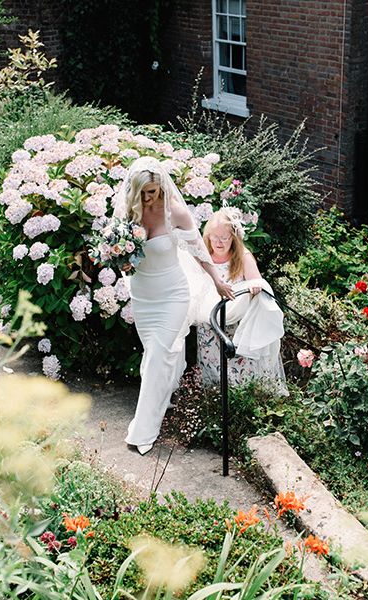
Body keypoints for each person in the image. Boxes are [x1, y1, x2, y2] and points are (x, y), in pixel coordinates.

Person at [113, 157, 234, 455]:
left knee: (156, 357)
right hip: (144, 297)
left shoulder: (175, 213)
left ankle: (142, 432)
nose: (150, 198)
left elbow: (197, 250)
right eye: (144, 192)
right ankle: (165, 396)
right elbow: (124, 261)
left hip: (173, 295)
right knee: (156, 357)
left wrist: (217, 280)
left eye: (154, 191)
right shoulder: (128, 216)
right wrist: (119, 256)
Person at [197, 208, 288, 394]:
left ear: (234, 238)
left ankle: (243, 398)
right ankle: (214, 397)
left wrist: (254, 288)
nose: (219, 242)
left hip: (236, 320)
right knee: (213, 365)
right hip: (210, 321)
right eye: (214, 237)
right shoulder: (203, 257)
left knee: (238, 366)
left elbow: (257, 281)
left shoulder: (242, 256)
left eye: (225, 237)